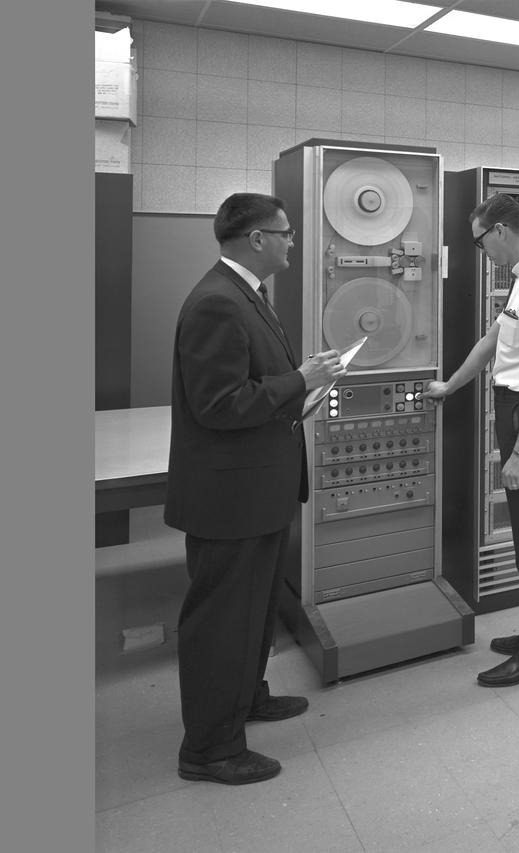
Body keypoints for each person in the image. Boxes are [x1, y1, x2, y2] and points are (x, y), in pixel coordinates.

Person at [165, 193, 346, 785]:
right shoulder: (217, 302)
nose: (294, 241)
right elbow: (218, 405)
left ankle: (245, 697)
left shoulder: (248, 295)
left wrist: (304, 385)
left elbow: (254, 384)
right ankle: (209, 750)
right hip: (230, 500)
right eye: (286, 232)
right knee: (222, 621)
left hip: (257, 490)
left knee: (254, 611)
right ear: (258, 239)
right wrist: (300, 379)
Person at [425, 192, 519, 687]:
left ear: (501, 231)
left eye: (480, 241)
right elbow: (492, 341)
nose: (481, 250)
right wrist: (450, 386)